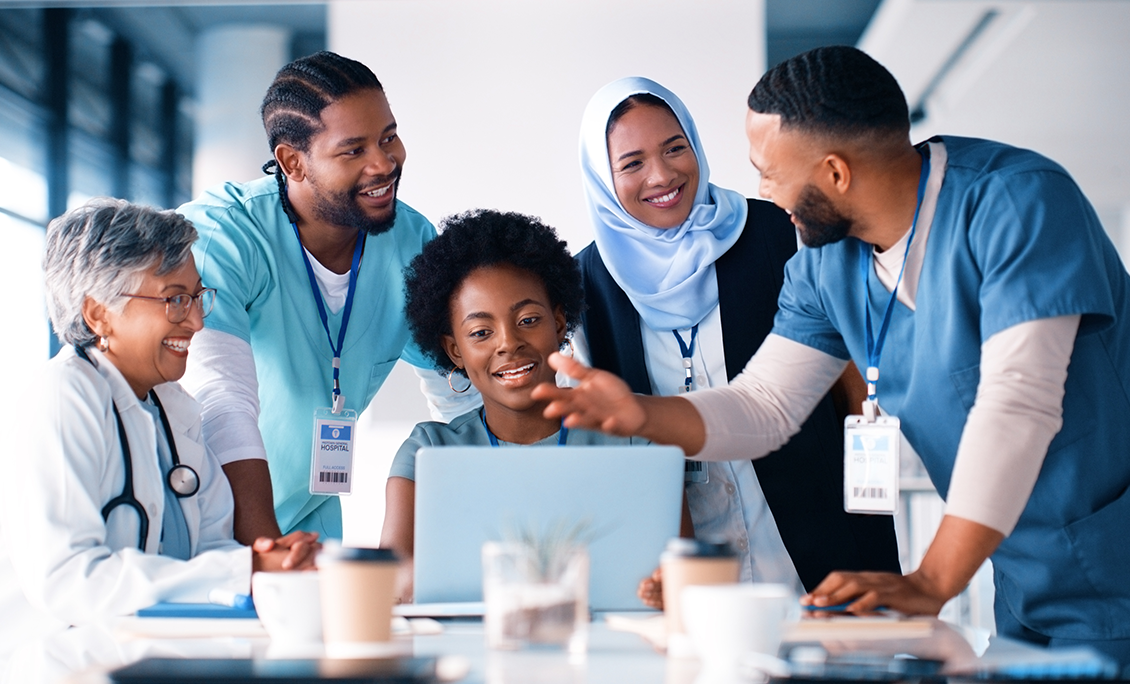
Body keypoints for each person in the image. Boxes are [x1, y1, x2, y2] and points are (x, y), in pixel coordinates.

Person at [535, 46, 1130, 666]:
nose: (760, 191)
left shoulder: (1017, 206)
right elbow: (766, 405)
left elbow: (1018, 406)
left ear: (836, 174)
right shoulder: (829, 259)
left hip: (1114, 572)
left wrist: (929, 582)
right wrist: (641, 415)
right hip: (1021, 583)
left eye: (768, 171)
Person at [0, 199, 316, 680]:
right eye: (175, 298)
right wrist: (248, 572)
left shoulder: (176, 412)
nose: (196, 321)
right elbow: (70, 581)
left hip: (97, 662)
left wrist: (271, 565)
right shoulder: (57, 399)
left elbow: (210, 548)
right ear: (99, 314)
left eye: (198, 297)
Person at [574, 77, 899, 604]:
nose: (661, 175)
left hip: (822, 536)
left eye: (675, 148)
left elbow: (855, 384)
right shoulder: (588, 282)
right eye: (631, 163)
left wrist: (875, 509)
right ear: (602, 176)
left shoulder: (777, 230)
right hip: (690, 564)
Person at [179, 51, 476, 544]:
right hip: (201, 517)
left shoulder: (409, 241)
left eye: (388, 137)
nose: (384, 164)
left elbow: (458, 390)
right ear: (292, 162)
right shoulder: (224, 236)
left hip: (306, 515)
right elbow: (221, 400)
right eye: (353, 150)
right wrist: (263, 551)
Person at [379, 209, 646, 603]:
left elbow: (680, 574)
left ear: (559, 324)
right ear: (455, 350)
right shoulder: (428, 452)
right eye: (481, 332)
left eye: (528, 319)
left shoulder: (631, 435)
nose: (507, 343)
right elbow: (393, 577)